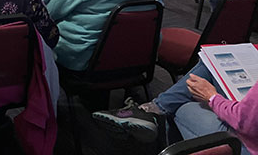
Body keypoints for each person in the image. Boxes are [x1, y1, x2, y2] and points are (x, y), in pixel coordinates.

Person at [93, 60, 257, 154]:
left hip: (247, 144)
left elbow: (245, 122)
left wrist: (212, 98)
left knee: (181, 106)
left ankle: (152, 116)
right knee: (210, 67)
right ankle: (151, 110)